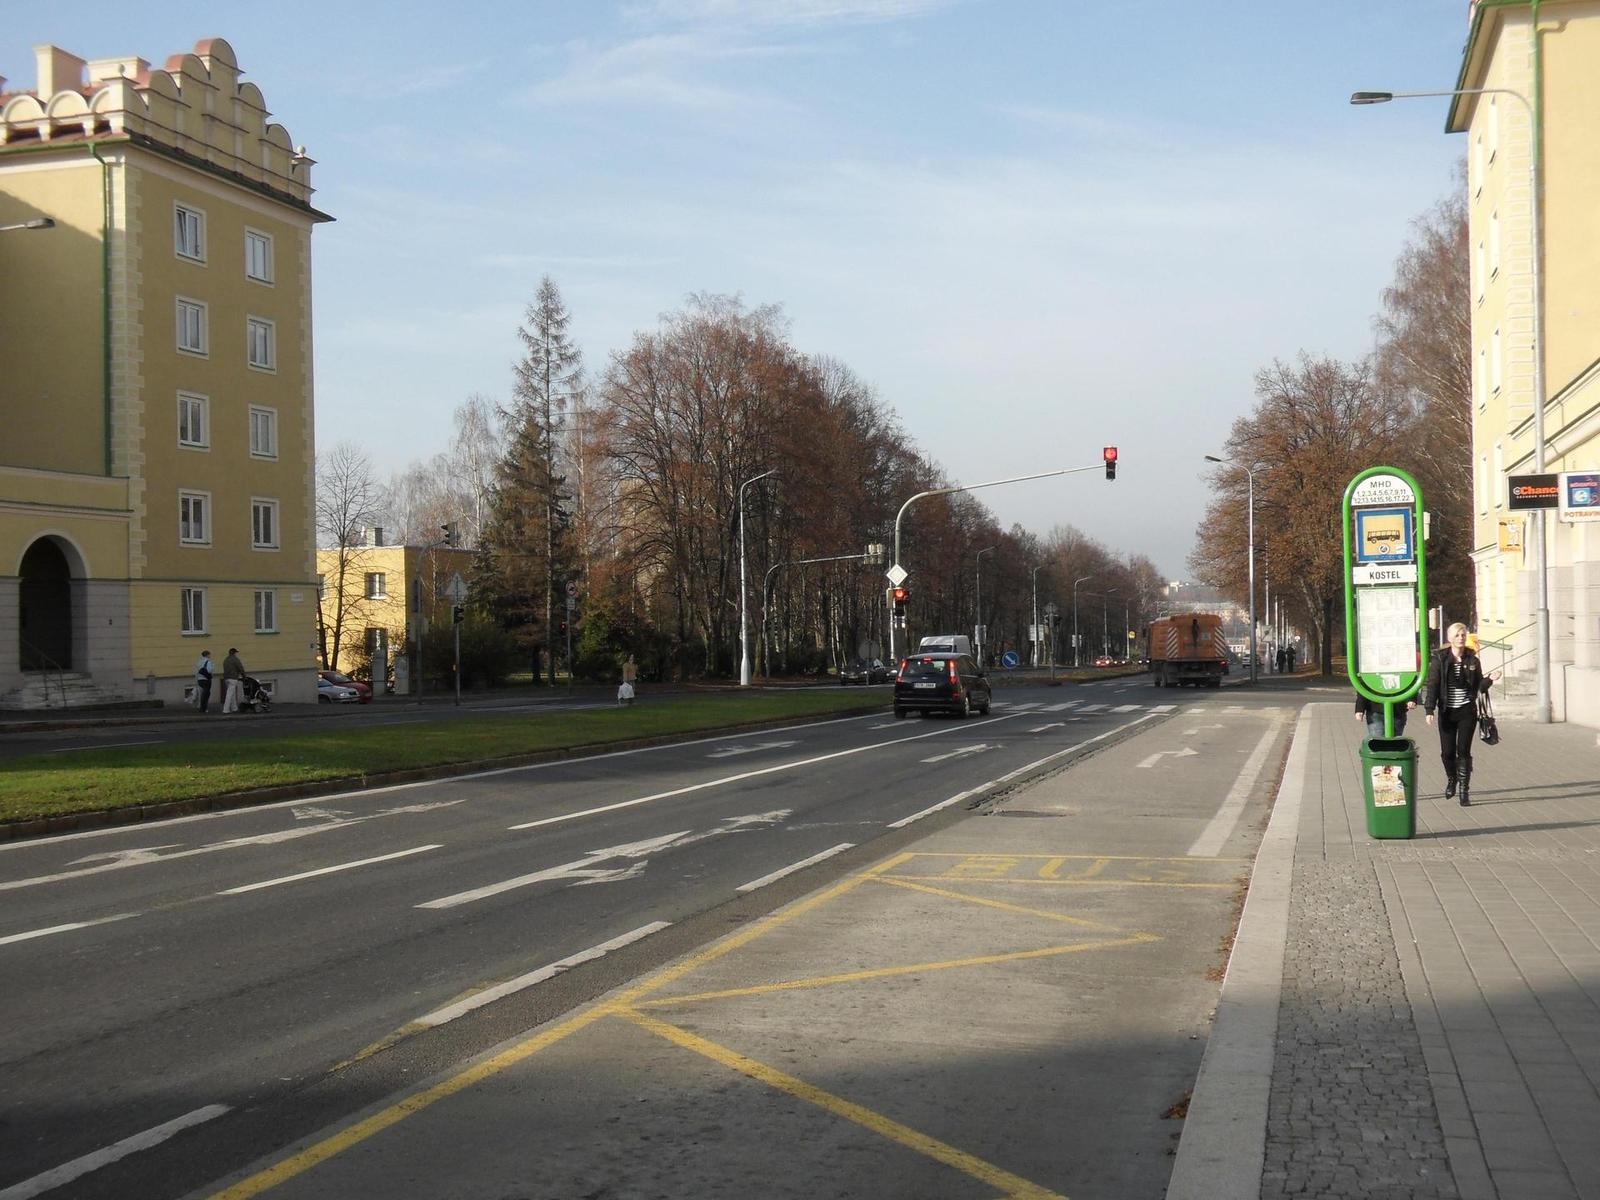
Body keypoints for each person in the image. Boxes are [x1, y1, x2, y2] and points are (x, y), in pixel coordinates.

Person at [1423, 623, 1498, 806]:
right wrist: (1429, 709)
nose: (1461, 638)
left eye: (1463, 635)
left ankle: (1464, 791)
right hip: (1447, 712)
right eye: (1457, 635)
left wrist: (1490, 680)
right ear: (1450, 639)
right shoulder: (1440, 659)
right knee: (1447, 753)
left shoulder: (1472, 660)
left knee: (1463, 751)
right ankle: (1452, 778)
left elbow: (1478, 686)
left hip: (1467, 712)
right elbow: (1432, 685)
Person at [222, 647, 246, 714]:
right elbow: (240, 668)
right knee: (229, 694)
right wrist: (244, 676)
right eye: (236, 652)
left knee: (232, 694)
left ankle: (234, 708)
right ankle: (225, 709)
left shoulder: (226, 660)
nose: (236, 654)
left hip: (226, 678)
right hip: (233, 678)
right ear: (234, 653)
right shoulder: (235, 659)